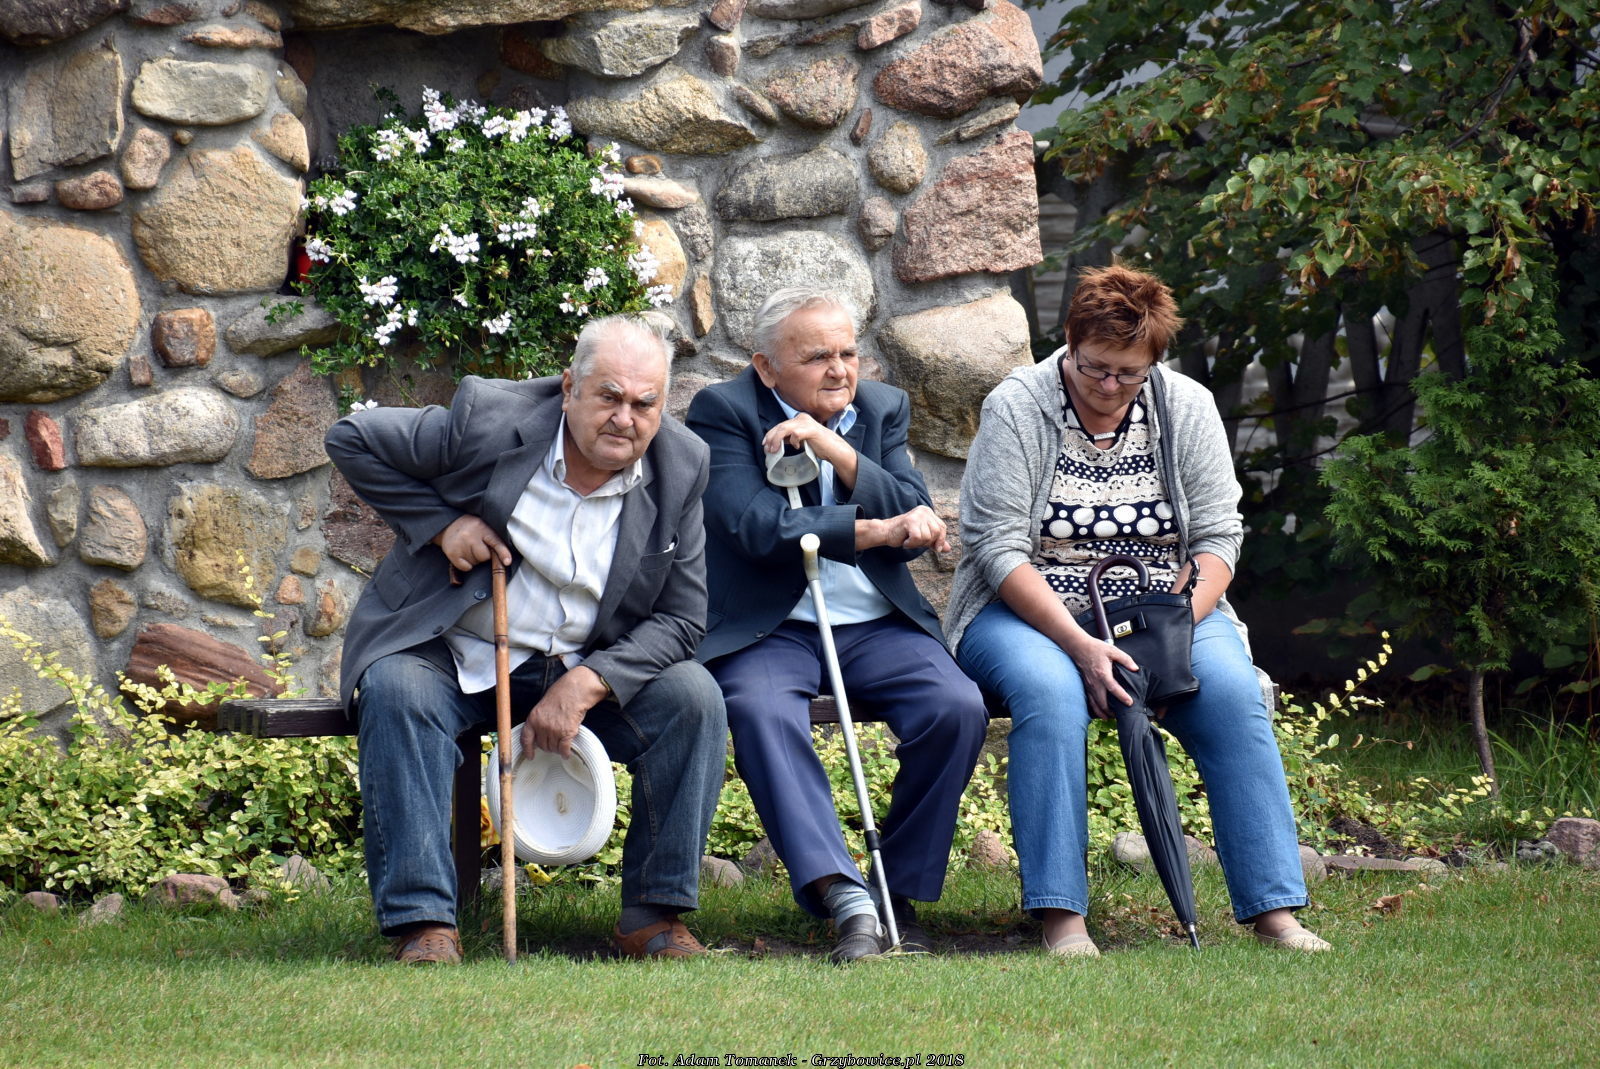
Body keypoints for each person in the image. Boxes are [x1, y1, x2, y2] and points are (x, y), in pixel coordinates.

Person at [944, 265, 1331, 956]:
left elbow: (1218, 538)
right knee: (1050, 692)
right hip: (1028, 610)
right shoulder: (1017, 406)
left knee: (1232, 691)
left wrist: (1172, 629)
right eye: (1095, 367)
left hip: (1167, 608)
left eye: (1129, 373)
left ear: (1154, 361)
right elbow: (997, 549)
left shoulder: (1185, 405)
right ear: (1069, 344)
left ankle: (1275, 909)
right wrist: (1081, 645)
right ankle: (1062, 917)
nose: (1109, 385)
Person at [325, 315, 728, 964]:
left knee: (693, 699)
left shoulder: (683, 465)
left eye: (644, 403)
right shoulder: (488, 419)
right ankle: (423, 923)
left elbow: (682, 618)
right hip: (456, 650)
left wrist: (588, 682)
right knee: (396, 690)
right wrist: (441, 525)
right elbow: (352, 436)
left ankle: (653, 918)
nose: (625, 418)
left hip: (581, 659)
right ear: (569, 388)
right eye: (609, 396)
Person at [686, 287, 987, 963]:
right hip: (771, 626)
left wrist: (835, 449)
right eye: (817, 356)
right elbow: (755, 527)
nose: (839, 369)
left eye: (848, 353)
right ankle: (842, 894)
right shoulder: (722, 411)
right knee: (760, 710)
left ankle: (894, 892)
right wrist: (872, 529)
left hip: (875, 622)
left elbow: (914, 515)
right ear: (767, 367)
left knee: (956, 706)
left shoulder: (881, 408)